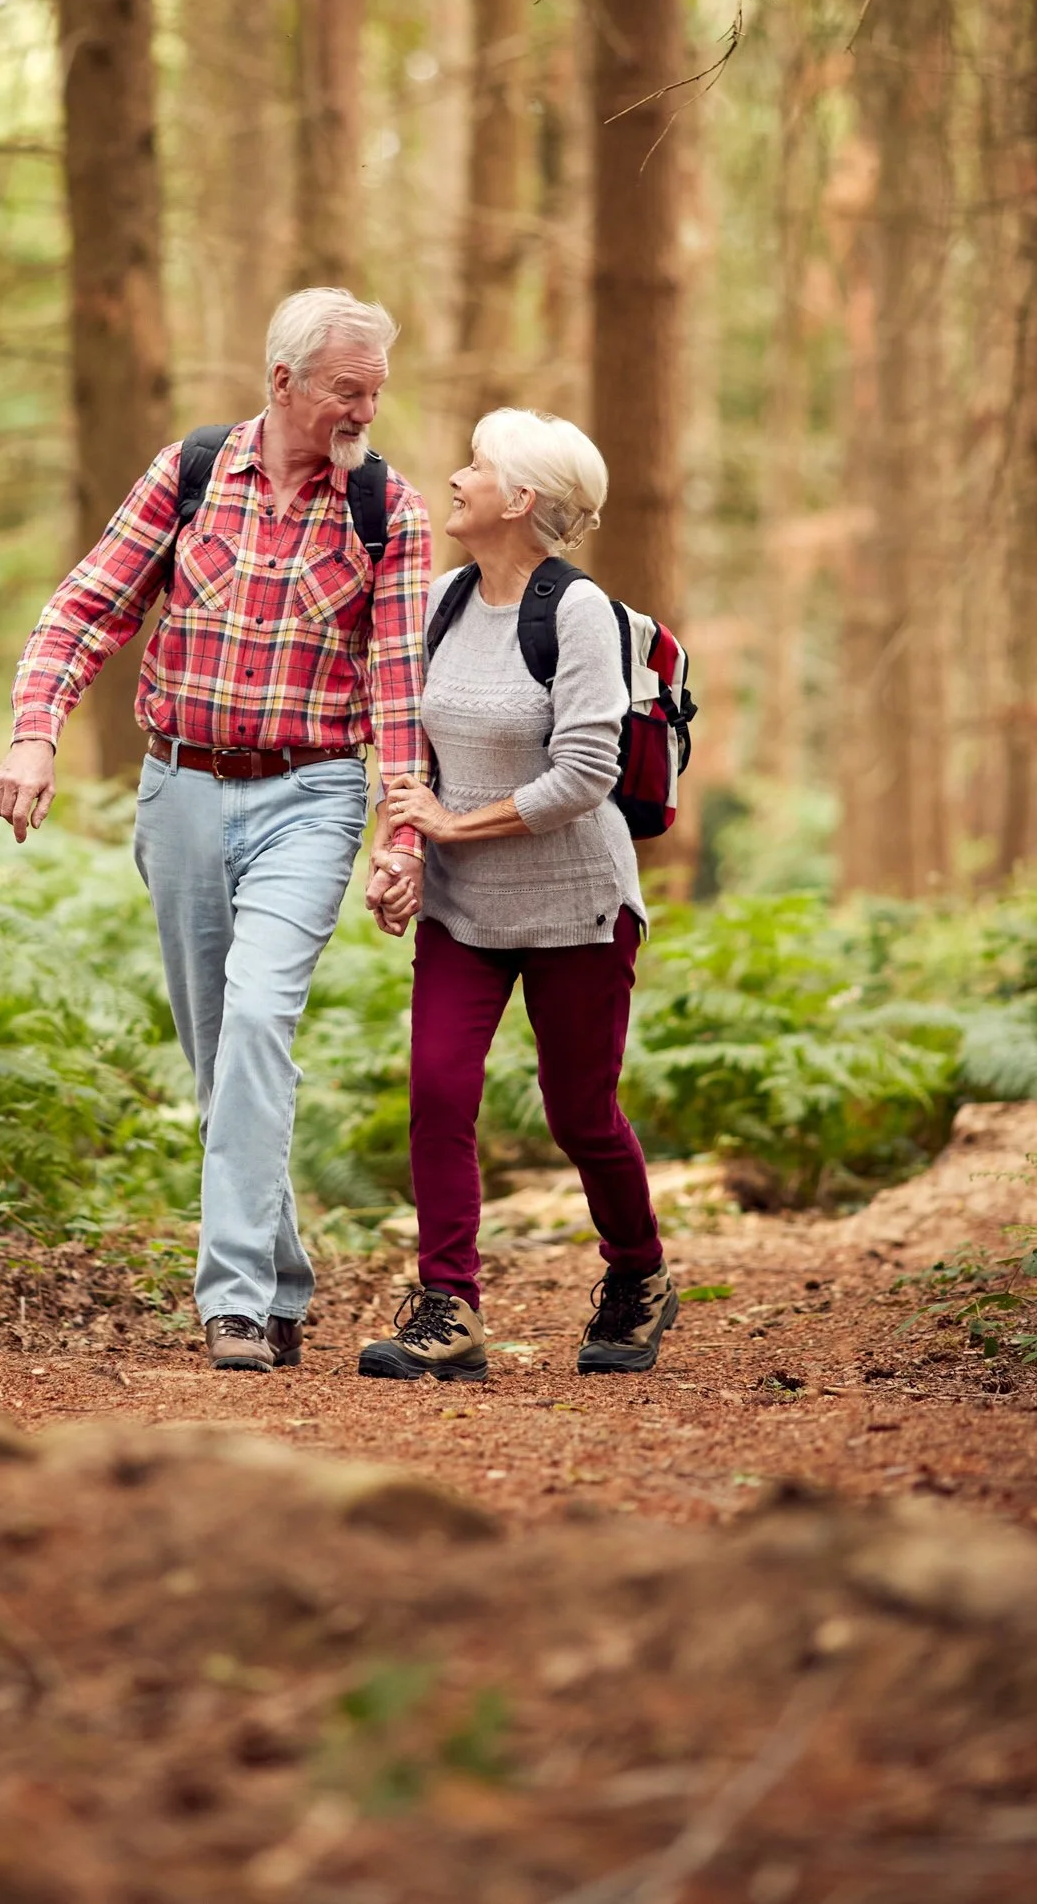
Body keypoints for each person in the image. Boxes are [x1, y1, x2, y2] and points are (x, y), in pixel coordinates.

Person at [0, 289, 431, 1372]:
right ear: (280, 380)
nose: (364, 408)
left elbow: (401, 691)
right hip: (179, 790)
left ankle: (230, 1296)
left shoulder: (389, 509)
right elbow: (85, 608)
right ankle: (279, 1276)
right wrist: (33, 736)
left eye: (375, 389)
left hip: (311, 793)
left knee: (255, 1023)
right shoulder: (186, 473)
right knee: (216, 1054)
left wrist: (400, 836)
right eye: (346, 387)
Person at [357, 408, 676, 1384]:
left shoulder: (577, 615)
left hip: (574, 906)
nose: (454, 476)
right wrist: (403, 845)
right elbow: (409, 752)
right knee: (437, 1094)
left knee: (578, 1113)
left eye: (476, 466)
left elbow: (586, 771)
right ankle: (447, 1308)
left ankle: (637, 1275)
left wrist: (454, 824)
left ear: (521, 498)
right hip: (463, 910)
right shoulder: (443, 602)